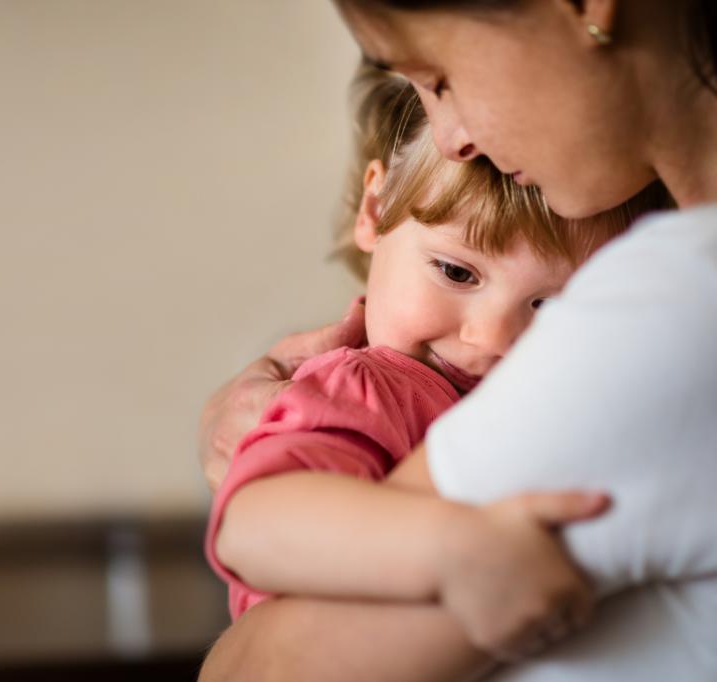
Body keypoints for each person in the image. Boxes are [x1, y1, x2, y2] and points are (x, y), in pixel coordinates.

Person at [197, 1, 717, 680]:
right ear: (374, 211)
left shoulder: (671, 303)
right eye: (455, 271)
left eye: (554, 305)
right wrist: (453, 549)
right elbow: (251, 525)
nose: (491, 336)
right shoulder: (375, 384)